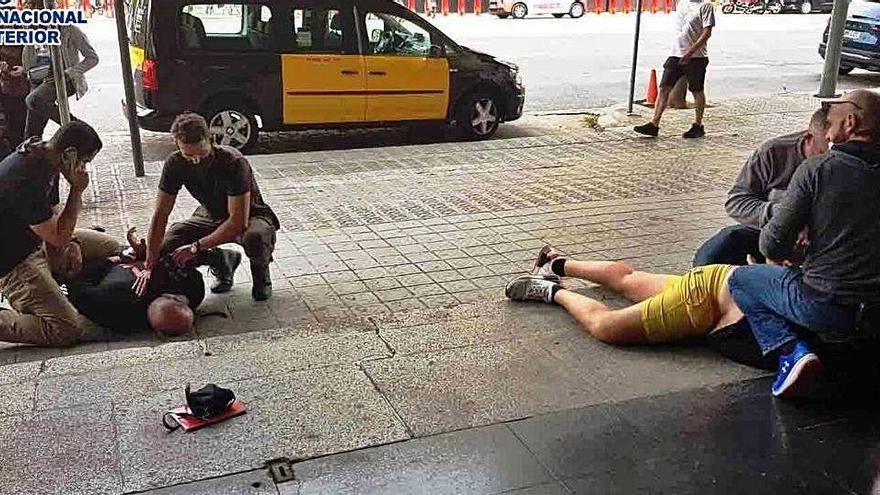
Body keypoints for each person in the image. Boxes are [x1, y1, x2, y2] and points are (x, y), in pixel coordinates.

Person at [729, 89, 880, 398]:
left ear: (850, 123)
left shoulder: (817, 170)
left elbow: (771, 245)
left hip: (830, 307)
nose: (828, 120)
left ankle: (790, 353)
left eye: (834, 115)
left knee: (742, 280)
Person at [139, 113, 280, 301]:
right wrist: (149, 262)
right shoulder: (174, 163)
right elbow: (160, 214)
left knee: (254, 237)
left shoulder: (233, 161)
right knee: (170, 243)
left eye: (201, 154)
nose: (195, 160)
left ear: (211, 140)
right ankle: (221, 260)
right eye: (189, 155)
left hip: (249, 215)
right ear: (177, 146)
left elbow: (237, 222)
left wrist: (196, 247)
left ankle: (261, 277)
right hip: (209, 214)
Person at [0, 121, 101, 347]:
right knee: (65, 330)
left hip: (37, 240)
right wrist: (77, 189)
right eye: (84, 162)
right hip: (14, 263)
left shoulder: (45, 157)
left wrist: (71, 243)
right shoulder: (22, 179)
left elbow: (55, 221)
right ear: (70, 154)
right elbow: (58, 237)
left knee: (110, 246)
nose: (83, 169)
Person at [693, 108, 830, 266]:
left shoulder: (848, 164)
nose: (828, 162)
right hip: (773, 234)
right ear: (808, 138)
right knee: (718, 250)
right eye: (822, 153)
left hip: (822, 245)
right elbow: (736, 202)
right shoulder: (772, 152)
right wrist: (783, 214)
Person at [53, 241, 206, 336]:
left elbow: (72, 284)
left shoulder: (115, 310)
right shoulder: (193, 288)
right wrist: (143, 254)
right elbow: (172, 257)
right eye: (177, 298)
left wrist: (113, 260)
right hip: (121, 252)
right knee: (110, 244)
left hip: (82, 267)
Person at [633, 0, 715, 139]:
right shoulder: (682, 3)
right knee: (664, 87)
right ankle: (654, 124)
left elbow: (707, 33)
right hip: (675, 54)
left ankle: (698, 125)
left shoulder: (706, 6)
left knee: (696, 90)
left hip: (696, 57)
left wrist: (690, 52)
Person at [21, 0, 99, 139]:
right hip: (39, 79)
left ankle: (77, 128)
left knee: (33, 100)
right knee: (31, 131)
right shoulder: (33, 31)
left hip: (65, 78)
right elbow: (33, 61)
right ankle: (38, 156)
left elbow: (92, 58)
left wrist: (71, 72)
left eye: (37, 8)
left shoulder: (69, 29)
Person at [0, 37, 29, 158]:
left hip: (20, 89)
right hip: (5, 88)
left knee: (20, 133)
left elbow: (42, 56)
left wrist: (25, 68)